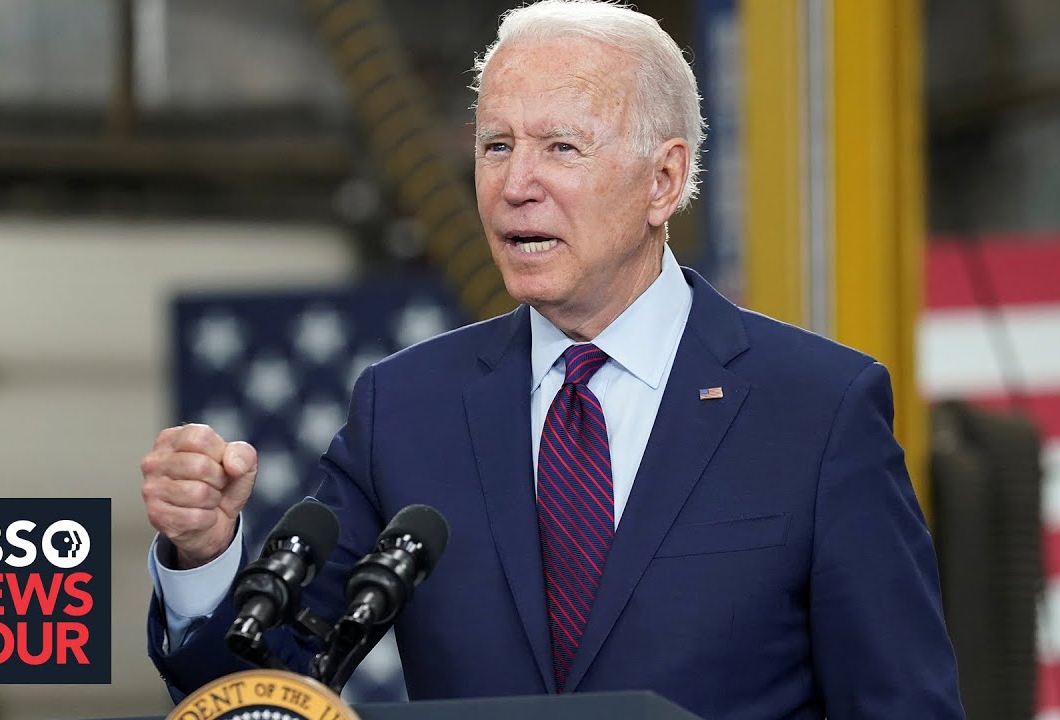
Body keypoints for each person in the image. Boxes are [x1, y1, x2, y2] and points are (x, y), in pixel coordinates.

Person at [141, 2, 965, 718]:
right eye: (495, 146)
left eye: (560, 148)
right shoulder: (407, 409)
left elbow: (901, 706)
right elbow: (259, 699)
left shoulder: (817, 408)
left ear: (664, 180)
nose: (515, 184)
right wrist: (206, 562)